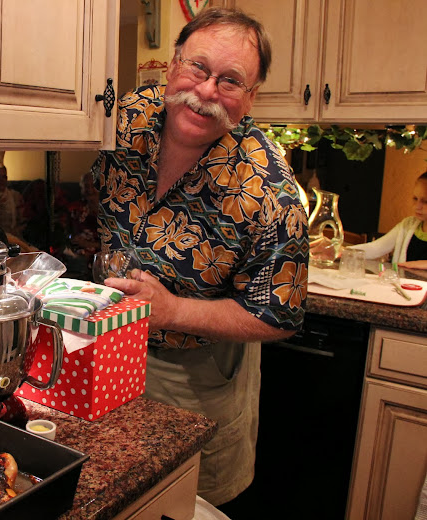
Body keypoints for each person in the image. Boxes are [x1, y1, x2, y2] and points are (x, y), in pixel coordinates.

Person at [90, 7, 309, 507]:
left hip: (195, 370)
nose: (206, 90)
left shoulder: (271, 192)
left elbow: (279, 316)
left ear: (251, 97)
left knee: (183, 501)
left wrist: (173, 310)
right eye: (198, 67)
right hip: (106, 347)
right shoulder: (122, 120)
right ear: (173, 64)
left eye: (230, 81)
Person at [346, 171, 427, 270]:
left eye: (425, 201)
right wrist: (343, 251)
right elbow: (377, 248)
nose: (417, 206)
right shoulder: (408, 225)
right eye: (415, 198)